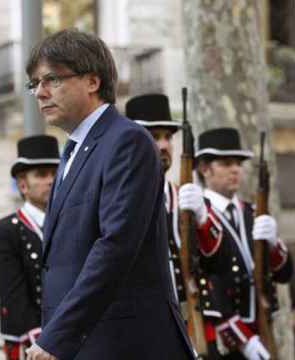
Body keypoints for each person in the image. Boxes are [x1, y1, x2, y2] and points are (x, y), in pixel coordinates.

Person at [23, 29, 194, 360]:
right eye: (35, 84)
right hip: (85, 343)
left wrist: (57, 337)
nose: (40, 93)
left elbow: (115, 245)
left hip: (124, 343)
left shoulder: (127, 142)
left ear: (92, 81)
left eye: (52, 80)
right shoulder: (73, 151)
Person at [179, 127, 293, 360]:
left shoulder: (251, 213)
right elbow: (202, 277)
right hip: (220, 332)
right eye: (226, 163)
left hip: (259, 326)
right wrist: (241, 338)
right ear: (203, 168)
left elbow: (284, 274)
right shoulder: (196, 216)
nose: (235, 170)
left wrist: (274, 246)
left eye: (238, 163)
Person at [0, 135, 60, 360]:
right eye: (41, 175)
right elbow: (13, 295)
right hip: (30, 343)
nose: (50, 180)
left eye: (54, 173)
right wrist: (45, 342)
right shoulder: (5, 231)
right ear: (22, 184)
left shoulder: (72, 225)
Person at [125, 93, 186, 307]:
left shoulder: (184, 199)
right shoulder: (115, 199)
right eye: (154, 135)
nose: (163, 145)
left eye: (168, 137)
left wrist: (205, 219)